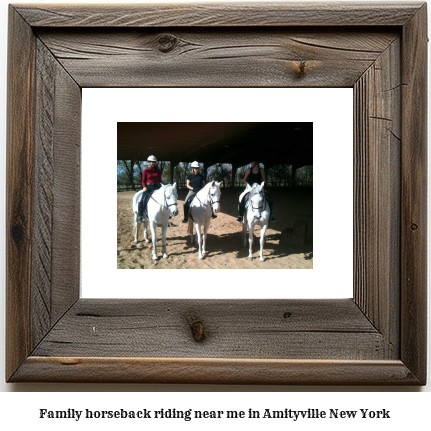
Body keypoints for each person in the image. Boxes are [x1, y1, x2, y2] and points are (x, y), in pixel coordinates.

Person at [138, 155, 162, 222]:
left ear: (155, 162)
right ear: (149, 162)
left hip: (157, 187)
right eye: (151, 162)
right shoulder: (146, 170)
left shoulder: (158, 171)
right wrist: (144, 187)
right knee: (142, 200)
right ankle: (140, 215)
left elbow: (160, 180)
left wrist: (162, 187)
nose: (152, 163)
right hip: (148, 187)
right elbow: (143, 181)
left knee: (163, 199)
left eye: (153, 162)